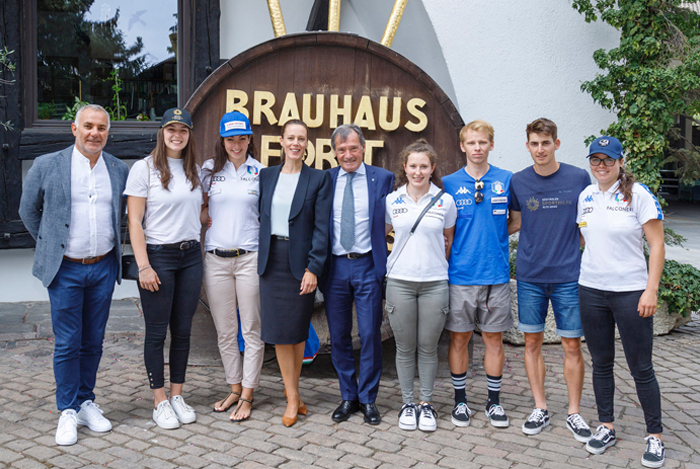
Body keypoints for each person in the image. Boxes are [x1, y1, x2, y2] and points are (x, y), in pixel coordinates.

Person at [19, 104, 129, 446]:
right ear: (74, 129)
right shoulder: (47, 165)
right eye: (88, 126)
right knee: (68, 341)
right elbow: (28, 210)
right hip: (65, 268)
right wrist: (52, 244)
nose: (95, 133)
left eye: (101, 128)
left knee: (93, 340)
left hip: (103, 266)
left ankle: (85, 401)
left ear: (108, 133)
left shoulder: (118, 169)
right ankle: (66, 409)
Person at [577, 136, 666, 468]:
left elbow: (657, 245)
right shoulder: (586, 196)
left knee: (641, 367)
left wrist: (651, 289)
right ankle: (606, 425)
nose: (601, 166)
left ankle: (655, 436)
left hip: (631, 292)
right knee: (601, 363)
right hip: (591, 290)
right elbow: (586, 238)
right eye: (595, 160)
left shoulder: (638, 195)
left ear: (620, 161)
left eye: (608, 160)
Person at [508, 118, 592, 441]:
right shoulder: (518, 181)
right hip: (530, 275)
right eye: (534, 143)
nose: (540, 149)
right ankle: (540, 406)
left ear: (556, 144)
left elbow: (587, 223)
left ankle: (573, 412)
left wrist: (576, 249)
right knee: (532, 342)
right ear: (527, 146)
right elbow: (514, 223)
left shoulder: (578, 177)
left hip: (569, 276)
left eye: (545, 143)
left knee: (572, 344)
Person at [125, 107, 204, 430]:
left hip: (191, 256)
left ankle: (177, 395)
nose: (177, 135)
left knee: (183, 331)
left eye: (182, 130)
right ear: (161, 133)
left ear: (189, 135)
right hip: (158, 258)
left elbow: (195, 212)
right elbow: (134, 221)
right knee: (157, 332)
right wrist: (143, 266)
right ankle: (159, 401)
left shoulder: (193, 170)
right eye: (171, 129)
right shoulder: (143, 169)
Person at [257, 119, 332, 427]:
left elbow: (321, 228)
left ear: (307, 144)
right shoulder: (266, 176)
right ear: (281, 141)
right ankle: (293, 396)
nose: (296, 143)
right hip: (270, 261)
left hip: (300, 262)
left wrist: (314, 268)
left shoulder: (318, 179)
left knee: (297, 331)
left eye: (301, 138)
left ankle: (292, 395)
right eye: (291, 137)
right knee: (278, 333)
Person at [320, 124, 394, 425]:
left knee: (368, 334)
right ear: (335, 152)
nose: (347, 154)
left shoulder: (383, 178)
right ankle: (348, 396)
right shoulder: (326, 179)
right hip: (335, 267)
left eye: (352, 148)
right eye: (341, 149)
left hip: (367, 265)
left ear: (363, 148)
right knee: (338, 336)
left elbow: (390, 221)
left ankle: (368, 399)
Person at [442, 120, 513, 428]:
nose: (477, 148)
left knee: (494, 339)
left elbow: (517, 220)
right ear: (463, 146)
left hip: (496, 275)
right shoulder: (448, 182)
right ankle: (460, 402)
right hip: (460, 274)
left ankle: (493, 402)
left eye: (483, 142)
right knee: (459, 340)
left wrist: (493, 238)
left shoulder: (507, 180)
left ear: (491, 145)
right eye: (472, 143)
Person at [384, 139, 457, 432]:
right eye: (412, 166)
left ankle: (426, 405)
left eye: (423, 166)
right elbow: (383, 235)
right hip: (400, 281)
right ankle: (407, 403)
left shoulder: (444, 201)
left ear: (432, 168)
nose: (418, 171)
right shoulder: (392, 200)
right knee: (404, 348)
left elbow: (448, 239)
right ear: (405, 167)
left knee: (427, 348)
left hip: (434, 282)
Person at [201, 111, 265, 422]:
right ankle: (235, 388)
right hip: (216, 259)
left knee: (251, 329)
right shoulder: (210, 170)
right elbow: (198, 206)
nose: (236, 144)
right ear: (222, 140)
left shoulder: (261, 172)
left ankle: (249, 394)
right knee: (225, 331)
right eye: (230, 139)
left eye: (242, 138)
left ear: (250, 139)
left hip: (249, 258)